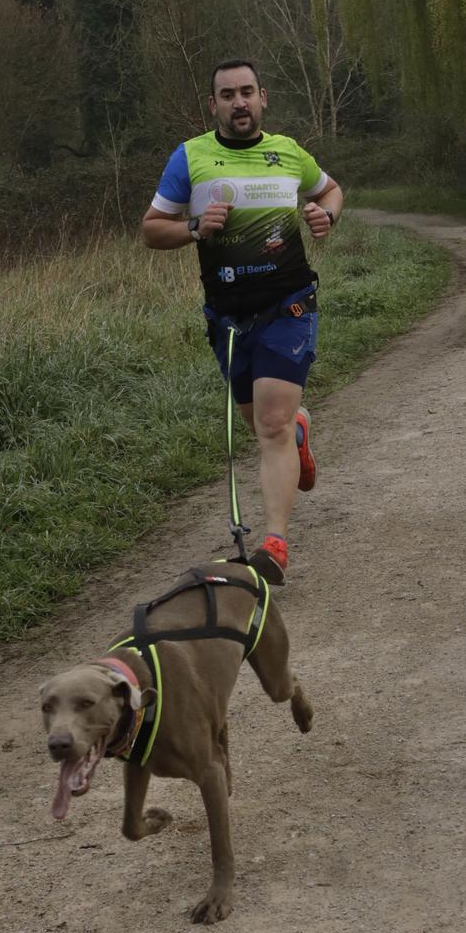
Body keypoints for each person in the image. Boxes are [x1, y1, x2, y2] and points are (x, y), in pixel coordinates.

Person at [141, 59, 344, 582]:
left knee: (269, 424)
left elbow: (329, 190)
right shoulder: (190, 158)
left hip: (289, 304)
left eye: (247, 92)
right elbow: (151, 229)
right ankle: (298, 433)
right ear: (213, 106)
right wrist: (193, 227)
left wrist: (327, 215)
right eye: (227, 95)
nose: (239, 103)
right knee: (266, 424)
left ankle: (274, 544)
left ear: (263, 98)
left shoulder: (289, 152)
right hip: (229, 317)